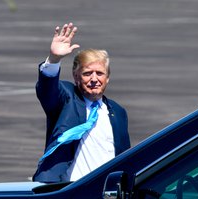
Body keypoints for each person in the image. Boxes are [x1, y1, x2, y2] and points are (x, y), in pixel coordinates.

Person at [33, 22, 130, 183]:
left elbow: (124, 156)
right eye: (87, 73)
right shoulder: (67, 99)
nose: (94, 79)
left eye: (99, 73)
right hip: (70, 190)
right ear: (76, 76)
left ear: (107, 78)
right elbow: (47, 89)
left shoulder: (118, 112)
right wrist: (54, 59)